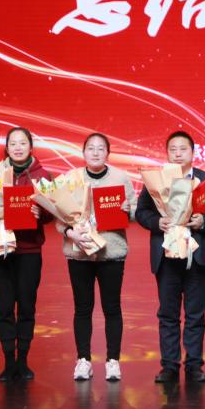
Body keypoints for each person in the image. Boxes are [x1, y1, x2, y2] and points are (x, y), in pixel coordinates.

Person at [135, 131, 205, 384]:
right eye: (172, 149)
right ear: (167, 153)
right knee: (168, 313)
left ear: (192, 152)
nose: (177, 153)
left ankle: (194, 365)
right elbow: (142, 212)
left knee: (196, 313)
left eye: (183, 149)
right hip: (166, 254)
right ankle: (169, 365)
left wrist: (203, 221)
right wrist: (157, 222)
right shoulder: (156, 180)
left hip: (197, 253)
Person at [57, 133, 135, 382]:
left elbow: (135, 210)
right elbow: (59, 216)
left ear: (107, 153)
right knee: (82, 308)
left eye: (101, 148)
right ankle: (83, 360)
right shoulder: (71, 178)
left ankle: (113, 361)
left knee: (112, 308)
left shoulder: (121, 178)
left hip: (111, 252)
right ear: (83, 153)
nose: (95, 152)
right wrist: (70, 233)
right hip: (79, 253)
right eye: (91, 148)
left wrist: (128, 210)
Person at [0, 127, 54, 382]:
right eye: (13, 143)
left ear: (31, 147)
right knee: (3, 308)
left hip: (29, 250)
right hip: (0, 249)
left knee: (26, 306)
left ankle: (23, 360)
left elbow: (54, 211)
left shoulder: (43, 176)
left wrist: (40, 214)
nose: (18, 147)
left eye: (23, 143)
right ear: (7, 148)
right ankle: (8, 361)